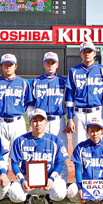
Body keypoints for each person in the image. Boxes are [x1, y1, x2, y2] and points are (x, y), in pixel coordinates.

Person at [8, 109, 69, 204]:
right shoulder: (20, 140)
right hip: (27, 179)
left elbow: (59, 163)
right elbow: (14, 164)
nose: (38, 123)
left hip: (48, 179)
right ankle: (28, 198)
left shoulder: (55, 140)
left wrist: (52, 179)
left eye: (41, 120)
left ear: (46, 122)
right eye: (35, 121)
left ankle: (48, 198)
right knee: (14, 195)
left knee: (60, 193)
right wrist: (22, 180)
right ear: (31, 122)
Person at [28, 51, 69, 181]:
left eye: (53, 63)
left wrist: (69, 120)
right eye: (48, 63)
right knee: (39, 151)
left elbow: (69, 103)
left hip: (59, 121)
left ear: (57, 64)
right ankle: (37, 181)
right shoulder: (36, 82)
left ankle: (62, 182)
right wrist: (31, 122)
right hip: (40, 121)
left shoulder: (64, 81)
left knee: (61, 151)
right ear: (43, 64)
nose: (50, 65)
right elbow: (31, 105)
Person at [0, 53, 33, 160]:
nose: (8, 67)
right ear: (1, 66)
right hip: (0, 122)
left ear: (15, 66)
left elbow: (27, 103)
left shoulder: (23, 83)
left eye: (10, 64)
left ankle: (20, 176)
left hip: (18, 123)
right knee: (1, 155)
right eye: (5, 64)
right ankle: (2, 175)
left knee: (21, 153)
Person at [65, 42, 103, 146]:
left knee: (99, 146)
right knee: (79, 147)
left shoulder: (102, 70)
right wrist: (70, 119)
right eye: (84, 51)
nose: (87, 54)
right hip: (79, 114)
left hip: (97, 112)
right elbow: (70, 97)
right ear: (80, 54)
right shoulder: (73, 71)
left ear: (94, 53)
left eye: (90, 51)